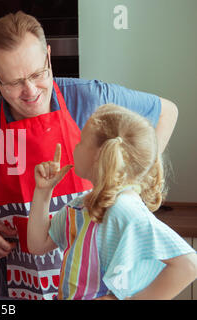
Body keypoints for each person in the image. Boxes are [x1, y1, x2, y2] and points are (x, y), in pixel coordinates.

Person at [0, 11, 178, 299]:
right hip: (28, 288)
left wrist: (135, 188)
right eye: (14, 82)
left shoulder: (92, 99)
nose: (31, 91)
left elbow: (167, 112)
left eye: (38, 74)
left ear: (49, 56)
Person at [27, 104, 197, 300]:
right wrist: (43, 191)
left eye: (81, 141)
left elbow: (189, 265)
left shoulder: (123, 209)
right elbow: (37, 244)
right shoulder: (82, 205)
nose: (75, 146)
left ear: (100, 155)